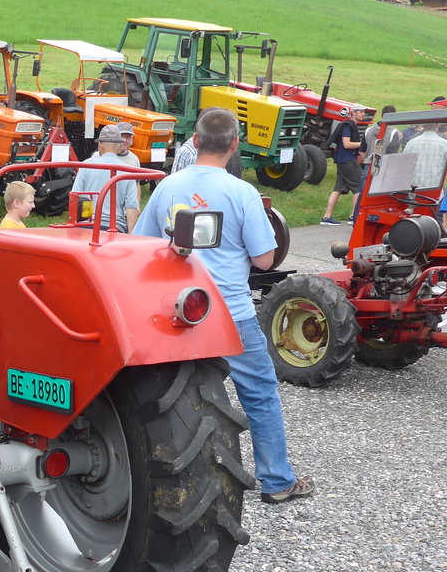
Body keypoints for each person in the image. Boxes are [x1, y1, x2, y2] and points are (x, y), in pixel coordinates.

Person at [133, 107, 313, 504]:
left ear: (194, 141)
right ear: (234, 146)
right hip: (231, 313)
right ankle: (277, 481)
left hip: (177, 312)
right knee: (260, 395)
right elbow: (266, 259)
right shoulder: (242, 192)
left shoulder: (167, 186)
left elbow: (140, 242)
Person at [71, 124, 139, 232]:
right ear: (120, 145)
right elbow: (131, 208)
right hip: (115, 227)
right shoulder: (128, 171)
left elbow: (75, 199)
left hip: (87, 226)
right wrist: (132, 238)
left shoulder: (86, 166)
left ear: (100, 144)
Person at [320, 107, 369, 225]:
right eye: (361, 112)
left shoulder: (349, 125)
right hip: (348, 161)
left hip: (342, 161)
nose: (363, 114)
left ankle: (326, 217)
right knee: (359, 188)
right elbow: (346, 144)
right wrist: (362, 144)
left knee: (338, 189)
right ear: (353, 113)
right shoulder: (348, 126)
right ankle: (354, 216)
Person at [402, 123, 447, 190]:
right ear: (438, 125)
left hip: (414, 191)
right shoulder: (445, 144)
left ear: (423, 125)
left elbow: (404, 167)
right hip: (435, 190)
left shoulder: (411, 143)